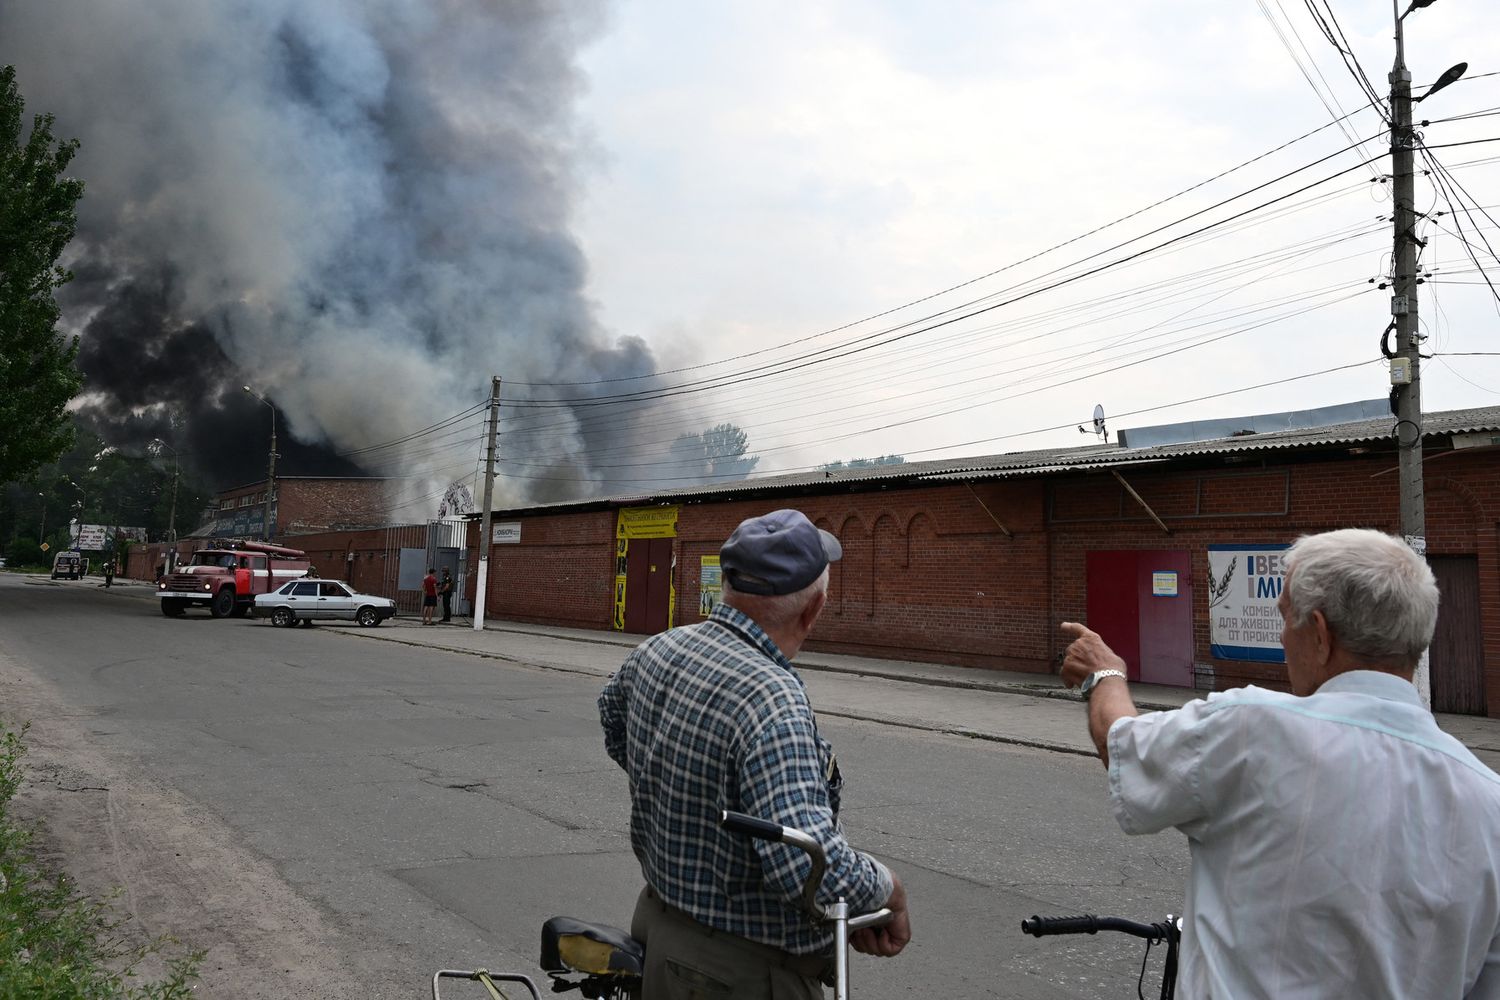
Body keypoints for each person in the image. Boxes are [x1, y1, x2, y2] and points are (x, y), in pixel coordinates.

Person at [1058, 528, 1500, 997]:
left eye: (1287, 620)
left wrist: (1104, 674)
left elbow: (1122, 744)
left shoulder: (1250, 730)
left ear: (1322, 635)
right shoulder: (1488, 802)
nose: (1284, 639)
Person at [599, 509, 910, 999]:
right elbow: (803, 867)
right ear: (814, 610)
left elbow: (614, 725)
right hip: (736, 974)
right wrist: (887, 888)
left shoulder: (656, 650)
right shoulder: (773, 701)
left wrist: (684, 790)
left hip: (658, 932)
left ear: (726, 584)